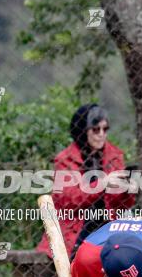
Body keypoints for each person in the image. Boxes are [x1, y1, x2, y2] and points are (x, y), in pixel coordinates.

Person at [36, 104, 136, 258]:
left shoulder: (114, 155)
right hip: (76, 230)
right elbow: (69, 200)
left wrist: (128, 190)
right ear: (83, 131)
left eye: (105, 129)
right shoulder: (65, 160)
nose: (102, 134)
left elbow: (120, 206)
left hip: (108, 227)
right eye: (96, 129)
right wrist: (102, 183)